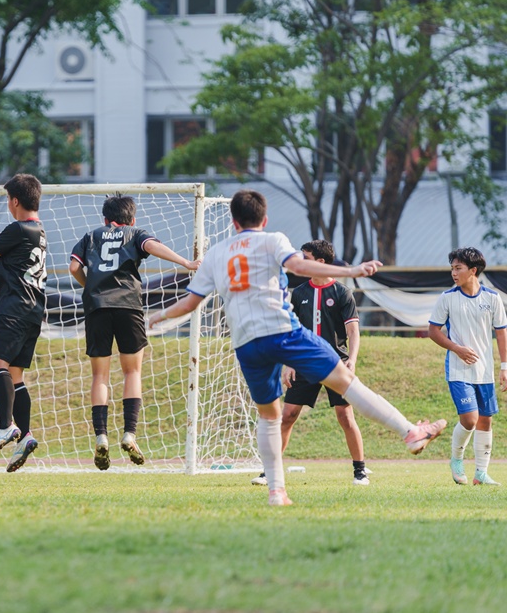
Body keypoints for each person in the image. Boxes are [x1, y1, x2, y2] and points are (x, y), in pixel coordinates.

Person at [149, 189, 446, 506]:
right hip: (284, 332)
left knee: (269, 416)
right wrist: (351, 271)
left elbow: (190, 303)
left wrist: (158, 317)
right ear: (264, 220)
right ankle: (409, 432)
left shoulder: (217, 254)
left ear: (233, 221)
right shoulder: (273, 240)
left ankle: (276, 492)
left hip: (247, 344)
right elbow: (301, 268)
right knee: (346, 382)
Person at [69, 194, 201, 470]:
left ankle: (101, 436)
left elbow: (74, 267)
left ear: (105, 219)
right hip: (128, 305)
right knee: (132, 372)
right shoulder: (135, 233)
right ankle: (129, 433)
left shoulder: (90, 236)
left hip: (97, 307)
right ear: (132, 219)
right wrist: (186, 263)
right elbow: (152, 246)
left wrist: (89, 285)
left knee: (100, 375)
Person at [251, 240, 371, 487]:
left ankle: (360, 471)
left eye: (305, 257)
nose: (300, 261)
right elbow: (291, 331)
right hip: (304, 362)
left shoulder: (342, 293)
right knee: (288, 415)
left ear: (320, 262)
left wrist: (352, 360)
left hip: (335, 363)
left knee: (345, 415)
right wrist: (289, 363)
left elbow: (353, 332)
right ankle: (270, 471)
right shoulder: (299, 293)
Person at [0, 174, 46, 472]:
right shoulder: (40, 230)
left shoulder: (18, 228)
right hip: (33, 310)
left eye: (8, 199)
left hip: (14, 309)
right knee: (15, 375)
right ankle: (26, 436)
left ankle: (6, 426)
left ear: (15, 201)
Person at [428, 247, 507, 486]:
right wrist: (457, 348)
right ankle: (457, 460)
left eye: (458, 268)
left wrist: (504, 367)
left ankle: (481, 474)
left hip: (485, 371)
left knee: (485, 420)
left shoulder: (492, 298)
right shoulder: (447, 298)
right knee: (470, 419)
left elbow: (501, 333)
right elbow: (433, 331)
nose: (453, 273)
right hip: (458, 370)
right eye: (452, 268)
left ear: (473, 270)